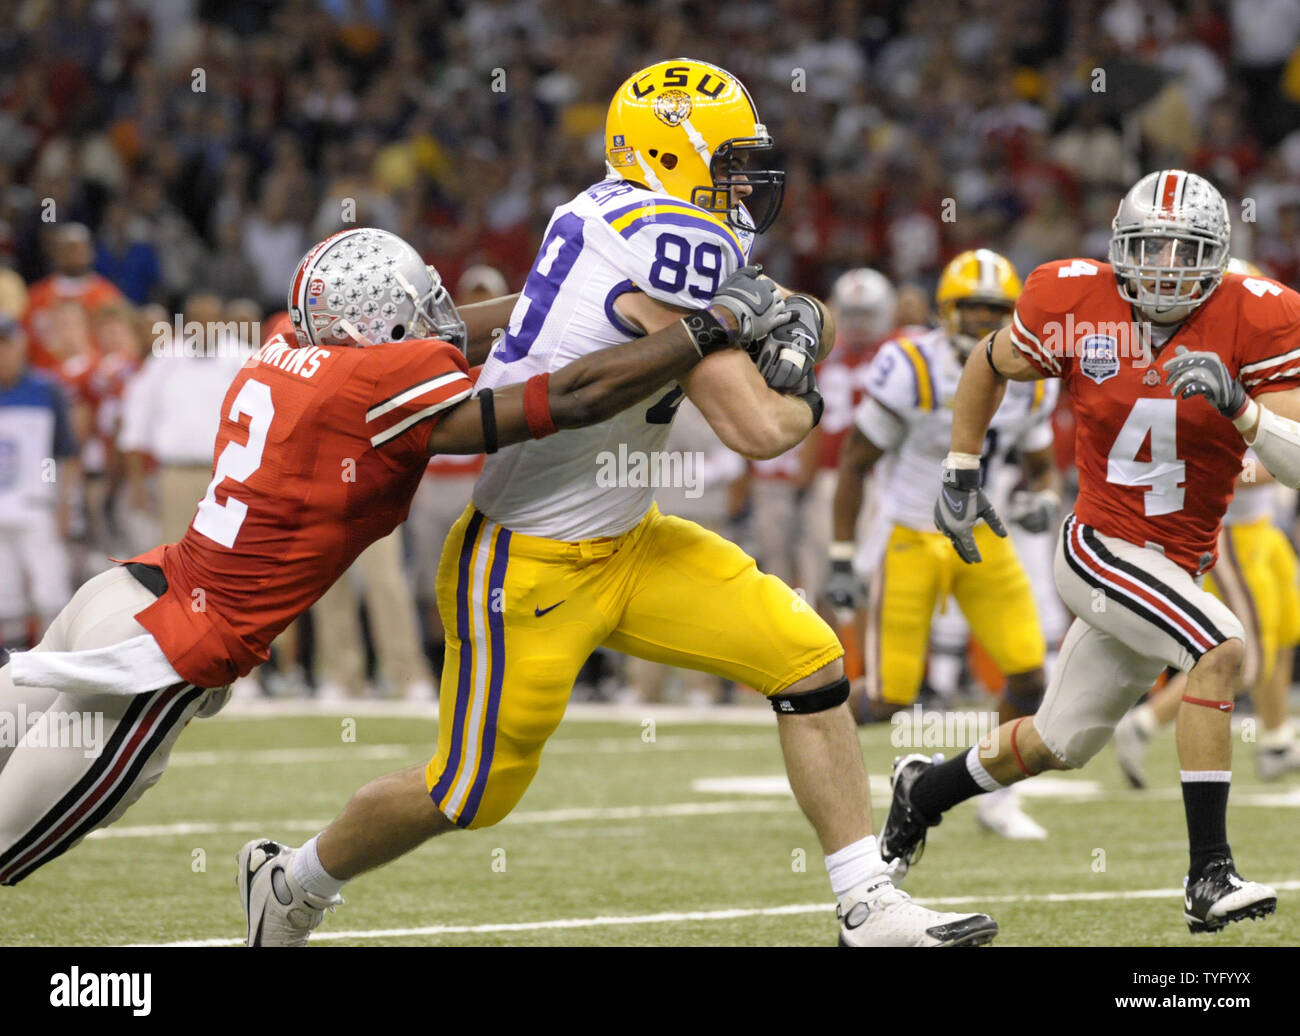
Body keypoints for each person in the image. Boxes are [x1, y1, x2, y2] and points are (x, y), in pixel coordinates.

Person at [240, 60, 1000, 950]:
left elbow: (784, 307)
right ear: (670, 153)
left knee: (808, 659)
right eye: (727, 159)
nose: (744, 182)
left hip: (627, 538)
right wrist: (807, 378)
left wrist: (798, 325)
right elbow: (758, 429)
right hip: (525, 560)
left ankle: (867, 903)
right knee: (470, 793)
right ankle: (293, 881)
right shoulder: (674, 242)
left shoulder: (618, 214)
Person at [0, 227, 782, 888]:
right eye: (421, 305)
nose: (442, 315)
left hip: (122, 592)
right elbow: (568, 398)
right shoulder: (377, 388)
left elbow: (469, 330)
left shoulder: (289, 340)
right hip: (158, 651)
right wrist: (701, 330)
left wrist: (579, 278)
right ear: (383, 324)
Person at [893, 169, 1287, 934]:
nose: (1165, 267)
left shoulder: (1260, 315)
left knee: (1056, 743)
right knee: (1222, 645)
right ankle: (1210, 874)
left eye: (1185, 251)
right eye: (1148, 248)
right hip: (1100, 546)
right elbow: (987, 361)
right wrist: (963, 469)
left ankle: (923, 792)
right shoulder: (1075, 298)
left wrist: (1240, 409)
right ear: (1118, 247)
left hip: (1174, 562)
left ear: (1218, 257)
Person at [829, 250, 1060, 840]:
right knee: (886, 701)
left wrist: (1042, 495)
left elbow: (1040, 465)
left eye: (996, 311)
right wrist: (840, 554)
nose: (985, 322)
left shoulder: (1031, 378)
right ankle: (813, 747)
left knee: (1031, 678)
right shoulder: (911, 366)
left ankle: (997, 797)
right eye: (972, 309)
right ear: (945, 312)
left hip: (983, 536)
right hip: (909, 534)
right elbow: (855, 464)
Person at [0, 315, 79, 650]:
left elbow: (62, 453)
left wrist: (60, 500)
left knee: (50, 592)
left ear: (21, 347)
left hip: (36, 503)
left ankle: (52, 665)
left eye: (7, 346)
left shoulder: (46, 390)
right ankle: (10, 669)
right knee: (6, 596)